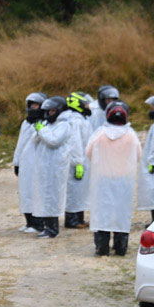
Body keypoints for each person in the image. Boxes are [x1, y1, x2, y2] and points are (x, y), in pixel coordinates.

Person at [86, 101, 141, 256]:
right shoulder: (131, 135)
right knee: (121, 213)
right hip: (124, 181)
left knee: (102, 212)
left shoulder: (100, 134)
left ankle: (102, 246)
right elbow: (138, 155)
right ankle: (120, 246)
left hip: (103, 179)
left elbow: (88, 153)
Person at [31, 95, 75, 238]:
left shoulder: (65, 125)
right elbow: (36, 140)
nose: (48, 114)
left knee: (53, 198)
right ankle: (47, 226)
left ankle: (53, 229)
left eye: (51, 111)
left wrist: (41, 130)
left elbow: (53, 141)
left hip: (56, 167)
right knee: (45, 196)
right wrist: (39, 129)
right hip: (45, 167)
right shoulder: (50, 124)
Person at [13, 92, 47, 232]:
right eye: (31, 105)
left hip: (36, 163)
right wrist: (16, 161)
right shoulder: (25, 123)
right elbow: (20, 144)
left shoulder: (44, 123)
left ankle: (39, 223)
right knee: (25, 192)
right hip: (25, 163)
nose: (33, 108)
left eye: (36, 105)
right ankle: (29, 222)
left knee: (35, 193)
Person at [62, 92, 93, 229]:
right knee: (73, 191)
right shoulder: (74, 121)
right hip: (76, 161)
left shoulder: (81, 119)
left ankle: (80, 218)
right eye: (85, 104)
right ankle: (71, 220)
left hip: (84, 160)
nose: (87, 106)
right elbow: (75, 143)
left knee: (81, 191)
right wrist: (77, 162)